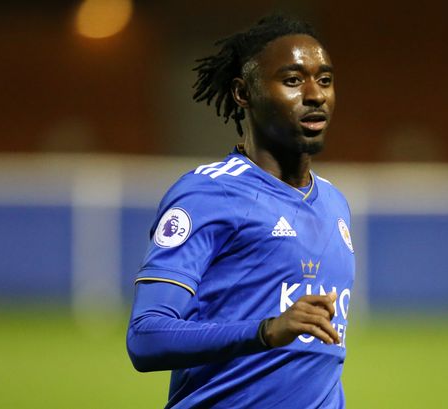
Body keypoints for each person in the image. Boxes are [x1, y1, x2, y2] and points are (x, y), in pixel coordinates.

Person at [127, 14, 355, 408]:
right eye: (292, 80)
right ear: (243, 92)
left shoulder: (335, 203)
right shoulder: (208, 193)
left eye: (324, 80)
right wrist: (265, 331)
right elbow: (146, 338)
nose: (315, 94)